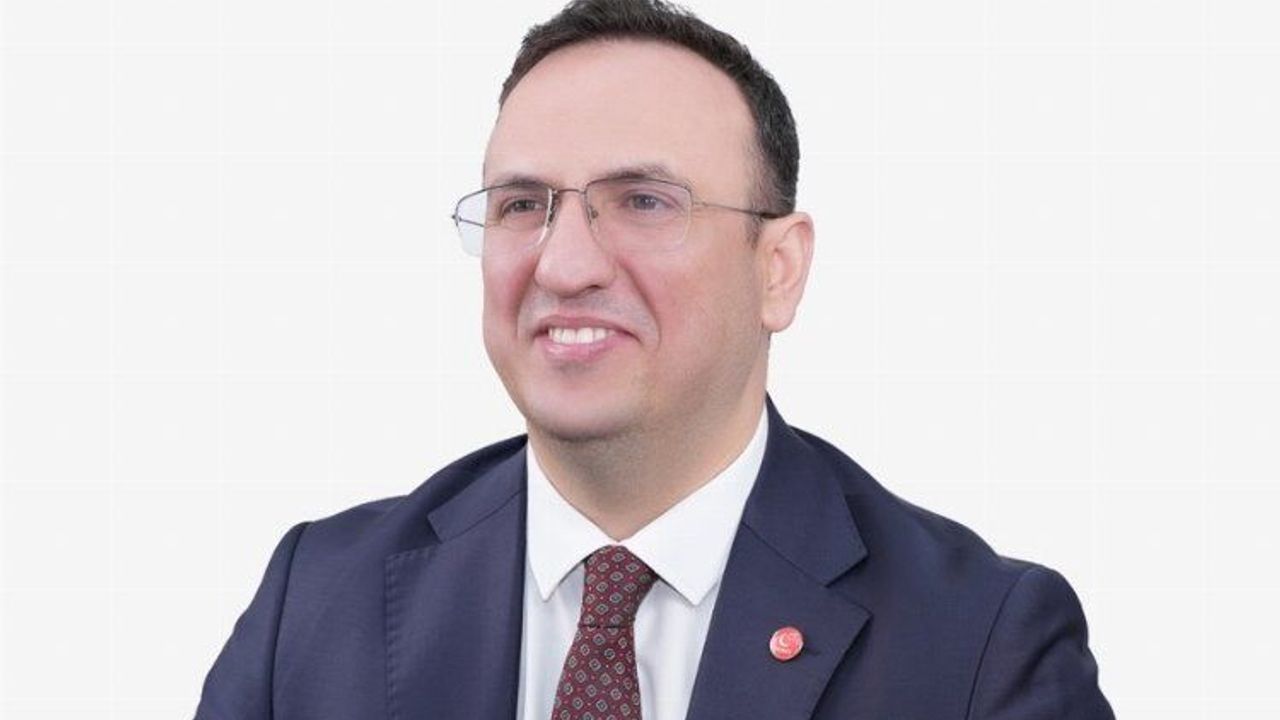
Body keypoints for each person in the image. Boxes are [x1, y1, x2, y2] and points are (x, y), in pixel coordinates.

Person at [195, 1, 1114, 718]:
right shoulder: (317, 602)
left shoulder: (980, 646)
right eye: (522, 205)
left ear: (779, 269)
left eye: (642, 201)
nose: (564, 264)